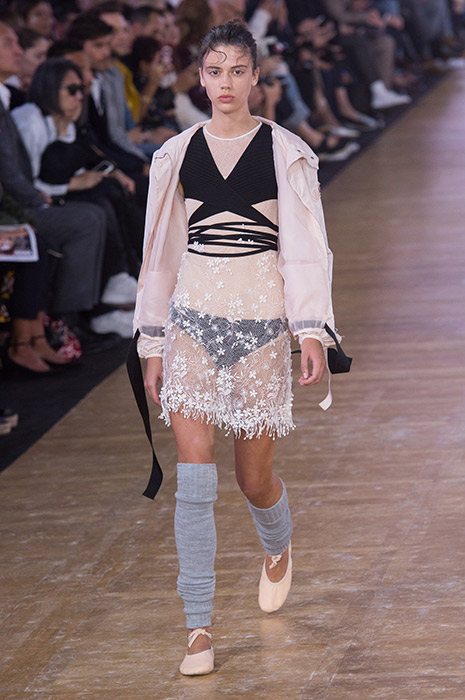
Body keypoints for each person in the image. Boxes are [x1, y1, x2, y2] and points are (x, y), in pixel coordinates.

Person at [133, 20, 343, 675]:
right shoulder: (175, 155)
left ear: (255, 77)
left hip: (261, 329)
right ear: (200, 78)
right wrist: (151, 339)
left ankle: (277, 545)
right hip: (192, 321)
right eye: (214, 71)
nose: (225, 83)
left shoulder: (287, 152)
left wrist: (311, 330)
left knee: (253, 480)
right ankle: (197, 628)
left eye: (237, 71)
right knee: (194, 480)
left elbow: (306, 250)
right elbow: (159, 257)